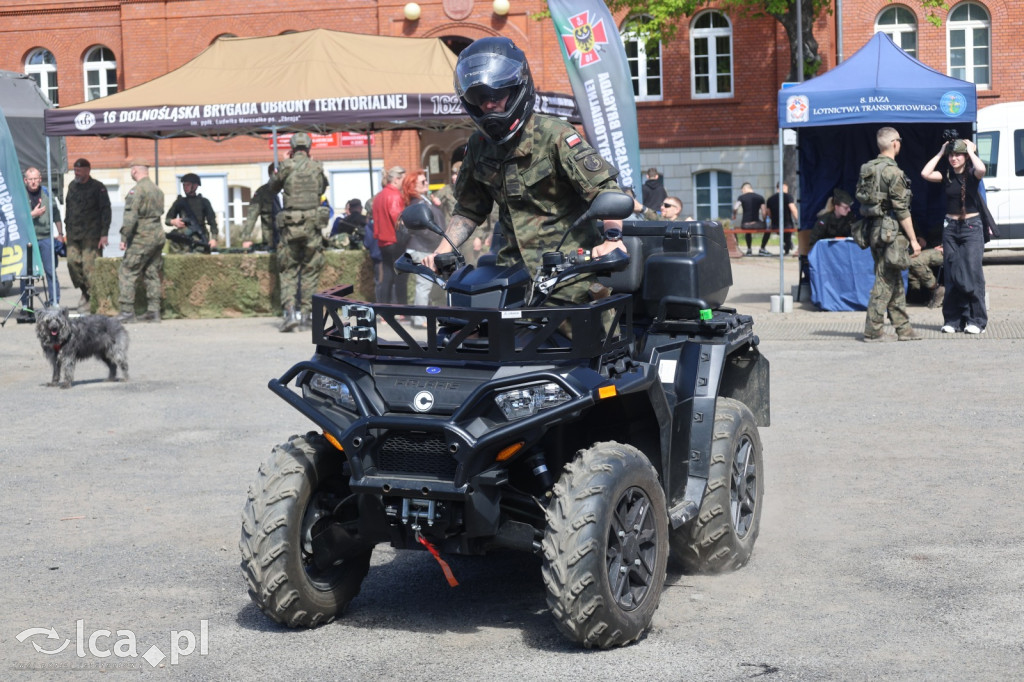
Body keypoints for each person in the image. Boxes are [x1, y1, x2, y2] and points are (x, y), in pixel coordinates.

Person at [422, 37, 625, 312]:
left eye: (496, 95)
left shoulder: (556, 134)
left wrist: (613, 239)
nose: (489, 105)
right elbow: (469, 210)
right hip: (509, 278)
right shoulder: (479, 146)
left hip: (568, 277)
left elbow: (606, 192)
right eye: (480, 98)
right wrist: (441, 251)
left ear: (517, 88)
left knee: (589, 348)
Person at [859, 126, 921, 342]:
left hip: (873, 230)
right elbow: (902, 210)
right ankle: (873, 330)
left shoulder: (867, 168)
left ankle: (903, 329)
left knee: (893, 278)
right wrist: (914, 240)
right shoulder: (894, 172)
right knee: (885, 280)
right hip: (890, 233)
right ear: (895, 143)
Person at [921, 137, 988, 334]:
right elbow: (925, 173)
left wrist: (972, 151)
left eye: (958, 154)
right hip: (950, 227)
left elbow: (982, 170)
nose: (954, 158)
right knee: (951, 274)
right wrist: (941, 152)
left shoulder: (972, 173)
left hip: (971, 228)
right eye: (952, 155)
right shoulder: (947, 175)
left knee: (972, 273)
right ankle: (953, 320)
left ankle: (976, 320)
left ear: (965, 156)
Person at [270, 131, 329, 332]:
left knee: (288, 269)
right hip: (312, 226)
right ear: (309, 147)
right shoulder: (317, 167)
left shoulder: (286, 166)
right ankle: (307, 314)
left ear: (292, 148)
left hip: (291, 227)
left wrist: (282, 165)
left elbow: (272, 187)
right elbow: (321, 190)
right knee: (311, 269)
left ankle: (290, 313)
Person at [117, 160, 165, 323]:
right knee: (152, 272)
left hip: (142, 236)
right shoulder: (157, 190)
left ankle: (127, 311)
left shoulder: (136, 191)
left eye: (131, 170)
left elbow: (130, 217)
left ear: (135, 171)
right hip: (157, 234)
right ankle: (154, 311)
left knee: (127, 271)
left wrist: (124, 237)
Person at [64, 158, 112, 310]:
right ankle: (85, 291)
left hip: (92, 235)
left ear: (88, 170)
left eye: (79, 170)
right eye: (75, 170)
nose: (76, 173)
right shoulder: (72, 186)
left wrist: (104, 234)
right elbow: (69, 208)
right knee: (72, 263)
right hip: (74, 234)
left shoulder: (98, 187)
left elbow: (106, 211)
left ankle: (93, 299)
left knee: (89, 268)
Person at [402, 169, 444, 327]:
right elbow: (424, 228)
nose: (426, 183)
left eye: (426, 181)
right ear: (413, 186)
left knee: (426, 284)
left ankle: (421, 317)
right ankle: (420, 319)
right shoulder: (418, 203)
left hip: (424, 247)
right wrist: (439, 240)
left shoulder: (423, 201)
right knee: (424, 284)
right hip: (422, 248)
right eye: (422, 182)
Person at [23, 167, 64, 306]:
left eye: (36, 179)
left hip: (46, 238)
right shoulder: (21, 194)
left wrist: (60, 234)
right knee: (27, 275)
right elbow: (16, 218)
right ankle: (26, 305)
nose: (33, 182)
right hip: (28, 240)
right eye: (30, 179)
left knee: (50, 271)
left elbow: (56, 213)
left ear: (40, 179)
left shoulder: (47, 192)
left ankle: (54, 303)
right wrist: (32, 215)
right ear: (25, 180)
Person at [371, 165, 407, 305]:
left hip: (382, 242)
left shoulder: (379, 196)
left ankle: (384, 310)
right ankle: (403, 310)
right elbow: (398, 219)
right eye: (403, 179)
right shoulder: (394, 195)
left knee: (387, 275)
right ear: (397, 179)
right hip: (395, 241)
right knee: (401, 276)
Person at [165, 173, 218, 253]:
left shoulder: (204, 202)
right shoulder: (179, 202)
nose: (185, 188)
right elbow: (167, 219)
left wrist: (213, 238)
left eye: (188, 185)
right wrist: (174, 221)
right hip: (182, 238)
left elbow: (212, 222)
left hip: (199, 238)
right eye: (184, 185)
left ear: (195, 186)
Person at [241, 163, 280, 250]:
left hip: (292, 240)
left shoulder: (292, 189)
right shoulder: (262, 192)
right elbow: (252, 216)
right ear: (270, 175)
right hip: (271, 241)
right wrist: (246, 238)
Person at [907, 236, 945, 309]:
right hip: (926, 243)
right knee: (906, 260)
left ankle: (936, 289)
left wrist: (946, 245)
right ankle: (917, 294)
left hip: (949, 247)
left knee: (915, 261)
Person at [732, 183, 767, 255]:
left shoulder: (741, 197)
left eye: (742, 190)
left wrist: (734, 215)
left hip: (745, 224)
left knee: (747, 231)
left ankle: (749, 249)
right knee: (767, 228)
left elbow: (735, 207)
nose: (742, 192)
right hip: (757, 224)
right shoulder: (760, 197)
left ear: (745, 188)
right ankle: (762, 248)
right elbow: (764, 212)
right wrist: (764, 220)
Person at [765, 182, 798, 256]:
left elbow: (769, 214)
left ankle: (788, 245)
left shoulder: (770, 199)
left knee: (784, 234)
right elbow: (793, 209)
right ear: (784, 187)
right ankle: (788, 245)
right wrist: (798, 219)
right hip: (787, 225)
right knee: (787, 234)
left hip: (775, 225)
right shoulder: (788, 196)